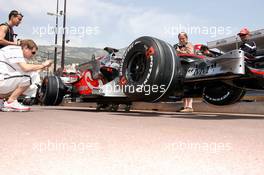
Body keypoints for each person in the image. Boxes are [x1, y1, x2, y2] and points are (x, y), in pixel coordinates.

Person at [0, 39, 53, 112]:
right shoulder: (15, 50)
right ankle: (11, 101)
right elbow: (26, 69)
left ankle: (1, 100)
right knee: (29, 76)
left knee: (32, 84)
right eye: (33, 52)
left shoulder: (13, 52)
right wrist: (43, 64)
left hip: (3, 79)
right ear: (25, 47)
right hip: (1, 80)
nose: (33, 55)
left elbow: (29, 70)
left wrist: (42, 66)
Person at [174, 32, 194, 112]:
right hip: (181, 66)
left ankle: (189, 107)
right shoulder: (176, 46)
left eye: (183, 38)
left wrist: (179, 51)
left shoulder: (189, 44)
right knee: (183, 86)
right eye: (180, 38)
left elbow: (190, 53)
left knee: (188, 85)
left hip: (188, 66)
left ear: (186, 38)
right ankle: (185, 106)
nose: (181, 40)